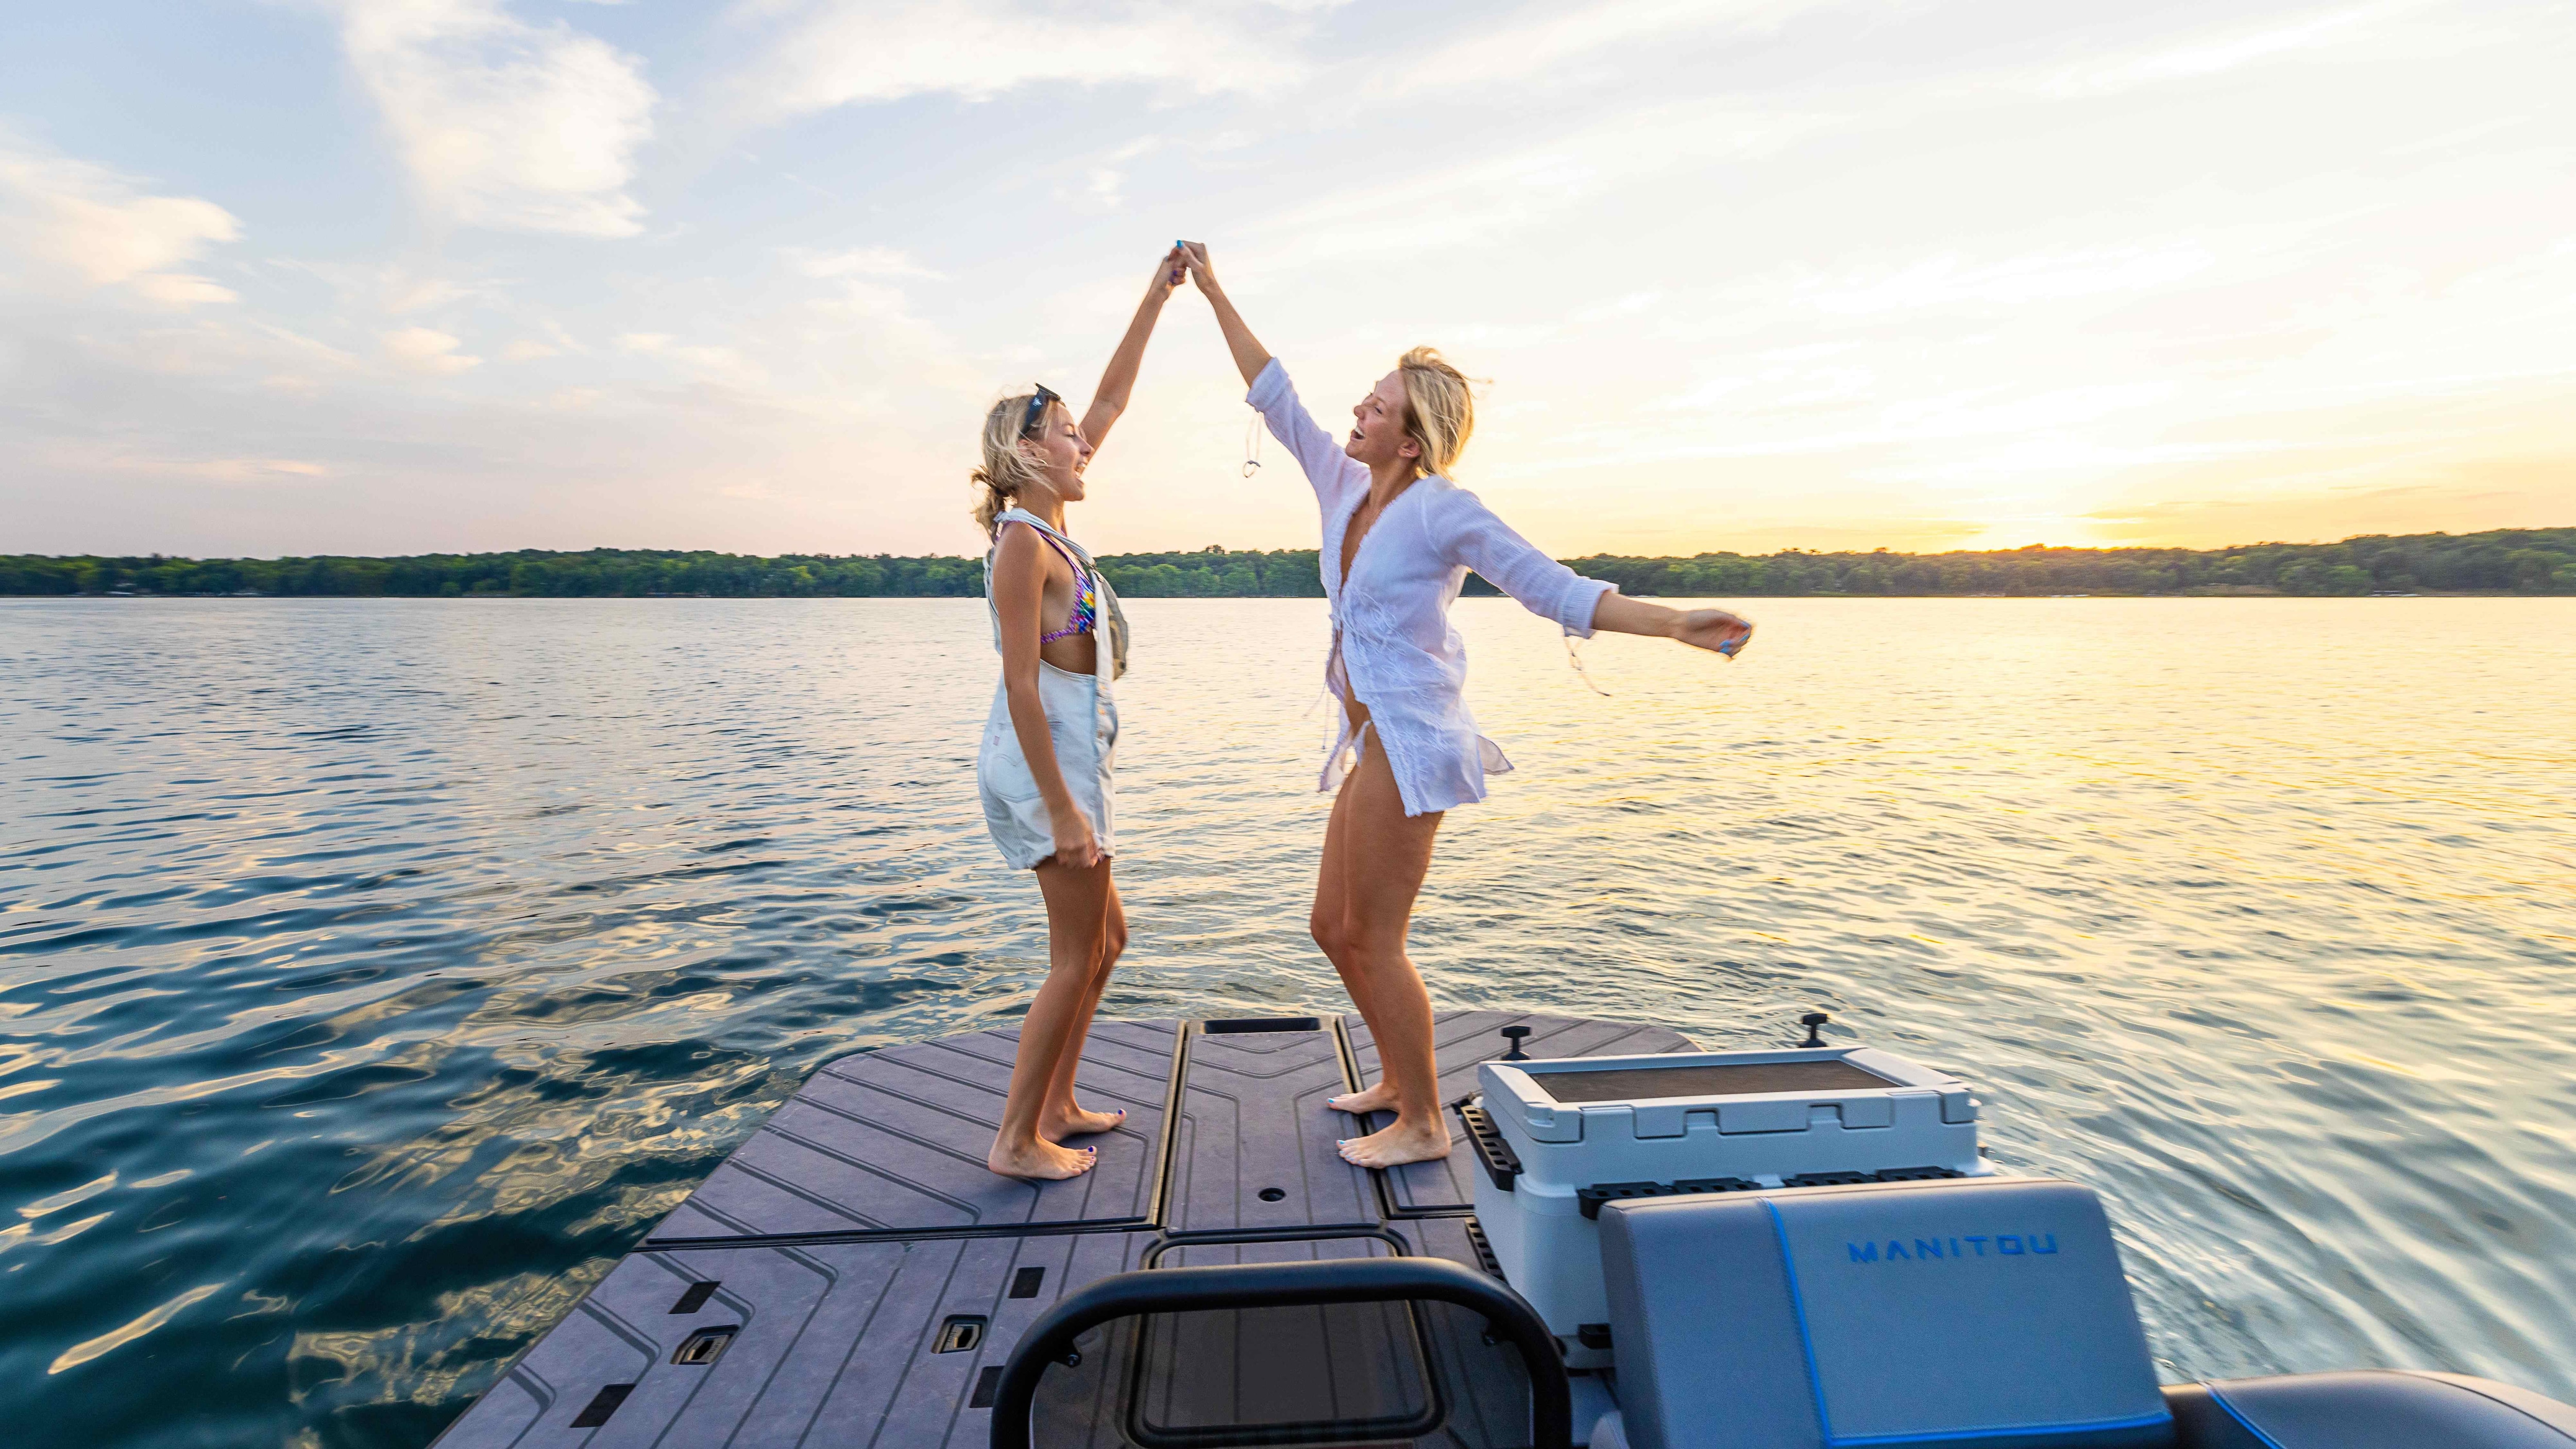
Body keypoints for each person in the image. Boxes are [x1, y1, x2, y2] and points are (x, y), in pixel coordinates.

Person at [1180, 244, 1755, 1168]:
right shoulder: (1342, 489)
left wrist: (1676, 621)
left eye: (1376, 406)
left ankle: (1424, 1123)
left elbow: (1551, 587)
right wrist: (1211, 290)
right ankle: (1401, 1086)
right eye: (1363, 399)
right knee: (1331, 928)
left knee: (1373, 934)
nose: (1356, 411)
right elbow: (1273, 390)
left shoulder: (1444, 509)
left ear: (1412, 440)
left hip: (1413, 745)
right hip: (1367, 743)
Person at [975, 246, 1187, 1180]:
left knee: (1109, 938)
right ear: (1026, 453)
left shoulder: (1052, 527)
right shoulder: (1024, 546)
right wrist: (1064, 810)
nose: (1083, 442)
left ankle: (1058, 1101)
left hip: (1072, 757)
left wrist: (1155, 296)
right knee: (1077, 952)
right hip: (1045, 766)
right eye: (1064, 434)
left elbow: (1113, 403)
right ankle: (1016, 1138)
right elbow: (1023, 685)